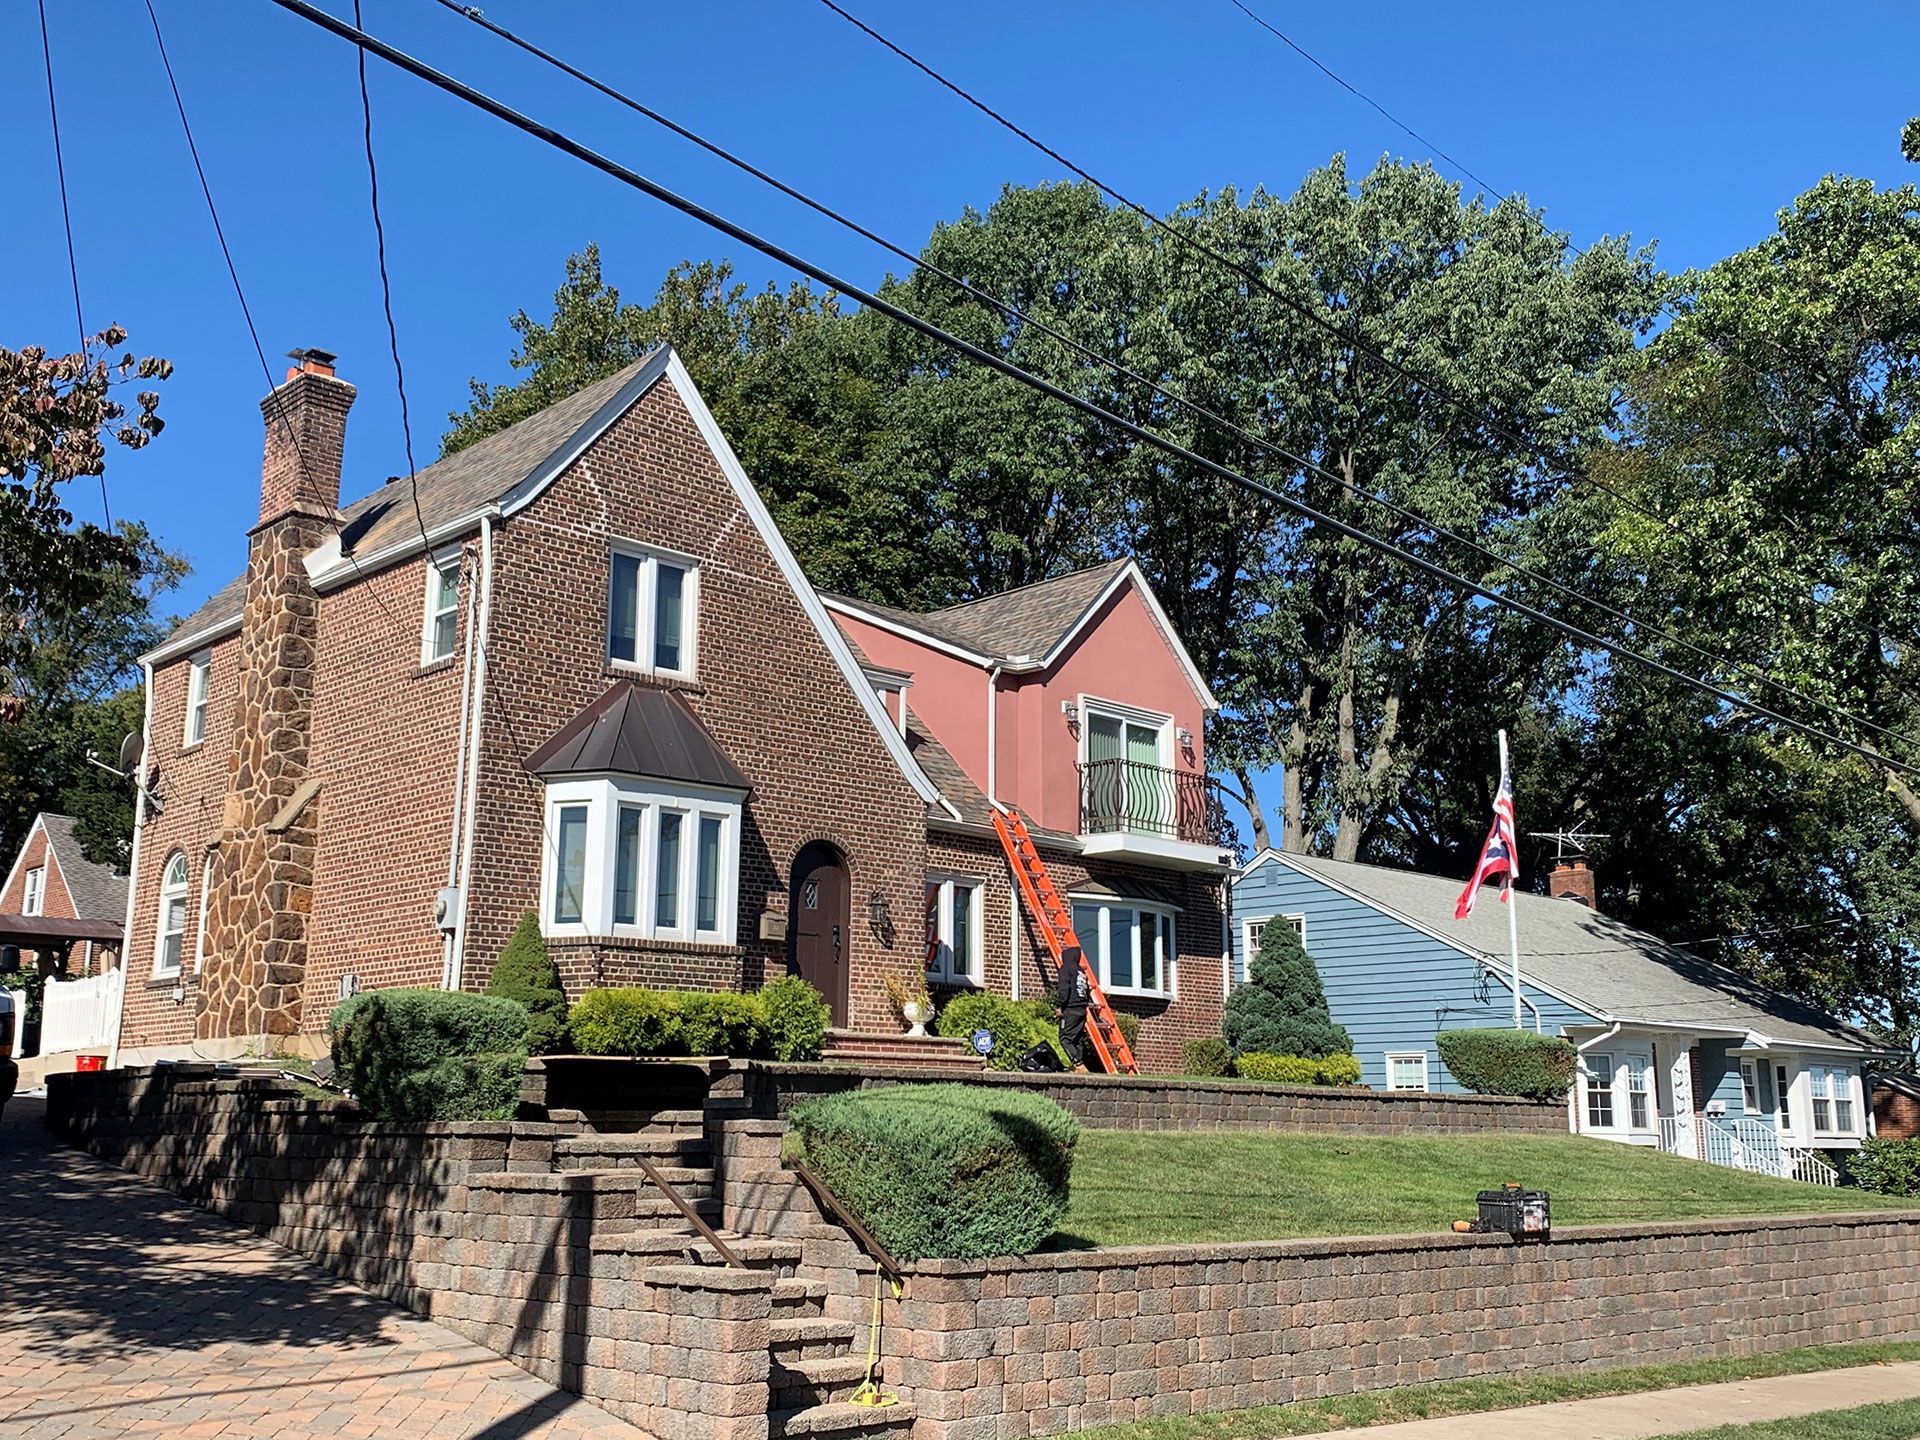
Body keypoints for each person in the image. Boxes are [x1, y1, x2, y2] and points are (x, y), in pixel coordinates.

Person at [1055, 944, 1092, 1074]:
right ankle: (1078, 1065)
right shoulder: (1081, 972)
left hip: (1070, 1009)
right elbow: (1086, 991)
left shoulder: (1065, 969)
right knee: (1076, 1038)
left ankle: (1078, 1063)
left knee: (1065, 1038)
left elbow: (1064, 990)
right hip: (1081, 1009)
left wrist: (1059, 1005)